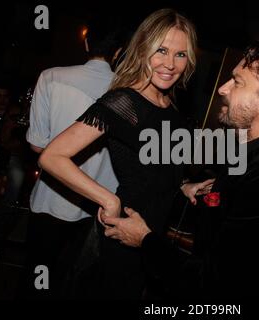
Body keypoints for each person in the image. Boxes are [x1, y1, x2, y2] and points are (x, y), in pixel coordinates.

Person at [101, 39, 259, 299]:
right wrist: (216, 195)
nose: (222, 89)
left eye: (237, 82)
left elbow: (213, 285)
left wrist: (144, 239)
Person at [38, 8, 213, 299]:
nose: (170, 64)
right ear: (143, 49)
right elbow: (51, 156)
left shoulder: (170, 107)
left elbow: (153, 166)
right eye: (161, 50)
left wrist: (184, 186)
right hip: (125, 231)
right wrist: (108, 199)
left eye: (180, 54)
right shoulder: (124, 102)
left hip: (151, 232)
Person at [23, 17, 125, 298]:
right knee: (74, 285)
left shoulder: (52, 77)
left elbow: (36, 146)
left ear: (86, 42)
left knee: (39, 281)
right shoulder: (127, 94)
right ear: (118, 52)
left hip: (50, 200)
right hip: (98, 208)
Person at [0, 82, 28, 206]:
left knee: (18, 174)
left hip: (8, 154)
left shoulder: (15, 113)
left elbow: (20, 141)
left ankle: (7, 207)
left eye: (5, 96)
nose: (2, 100)